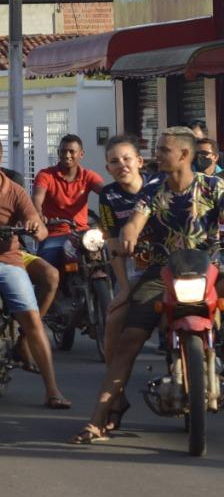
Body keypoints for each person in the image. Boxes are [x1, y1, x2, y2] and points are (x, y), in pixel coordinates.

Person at [71, 127, 224, 444]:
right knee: (128, 340)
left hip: (210, 268)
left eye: (164, 150)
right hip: (162, 272)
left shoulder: (214, 187)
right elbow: (135, 221)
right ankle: (99, 419)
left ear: (184, 154)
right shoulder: (153, 191)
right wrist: (128, 235)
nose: (158, 155)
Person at [0, 129, 70, 408]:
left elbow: (38, 226)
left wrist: (35, 227)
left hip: (6, 262)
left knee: (31, 320)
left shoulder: (15, 192)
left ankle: (52, 389)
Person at [96, 135, 162, 370]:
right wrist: (123, 289)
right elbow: (114, 245)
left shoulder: (159, 185)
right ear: (108, 168)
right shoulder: (108, 196)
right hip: (139, 271)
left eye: (127, 159)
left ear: (140, 161)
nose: (122, 165)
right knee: (114, 318)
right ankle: (114, 383)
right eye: (114, 161)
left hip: (171, 265)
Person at [32, 135, 105, 268]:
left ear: (81, 154)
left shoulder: (88, 176)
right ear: (58, 153)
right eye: (63, 151)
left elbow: (106, 194)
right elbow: (37, 197)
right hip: (54, 234)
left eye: (72, 151)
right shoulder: (45, 175)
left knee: (107, 258)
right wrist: (38, 214)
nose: (67, 155)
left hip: (82, 233)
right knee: (48, 266)